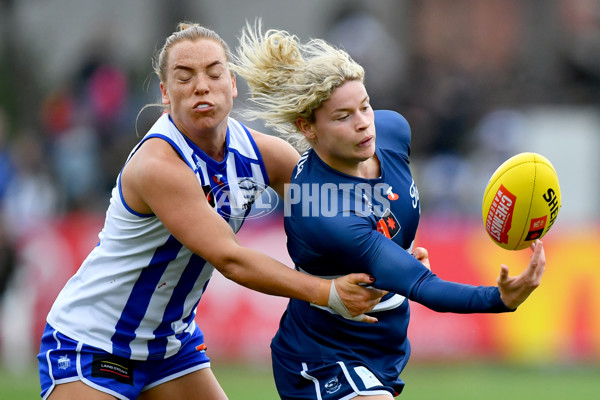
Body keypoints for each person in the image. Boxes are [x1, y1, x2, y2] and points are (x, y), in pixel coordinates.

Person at [37, 22, 385, 400]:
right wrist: (326, 291)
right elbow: (230, 258)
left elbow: (334, 214)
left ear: (232, 84)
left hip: (170, 348)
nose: (201, 86)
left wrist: (394, 250)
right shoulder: (160, 164)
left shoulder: (261, 153)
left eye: (214, 73)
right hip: (93, 344)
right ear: (165, 94)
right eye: (184, 77)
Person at [230, 21, 546, 399]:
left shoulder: (393, 131)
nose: (364, 124)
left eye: (364, 106)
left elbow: (390, 234)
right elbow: (423, 286)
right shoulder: (323, 212)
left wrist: (399, 256)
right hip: (321, 355)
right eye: (343, 116)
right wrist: (499, 299)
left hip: (384, 347)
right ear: (308, 128)